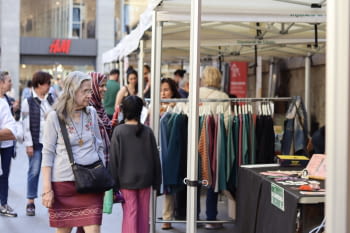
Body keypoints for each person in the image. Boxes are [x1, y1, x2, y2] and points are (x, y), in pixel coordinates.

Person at [41, 71, 105, 233]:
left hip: (91, 183)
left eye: (90, 90)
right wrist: (47, 189)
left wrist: (101, 170)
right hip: (64, 185)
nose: (90, 95)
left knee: (94, 229)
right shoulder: (55, 117)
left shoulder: (91, 113)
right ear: (72, 91)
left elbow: (99, 144)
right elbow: (47, 154)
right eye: (85, 91)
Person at [109, 95, 161, 233]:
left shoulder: (118, 131)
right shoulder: (148, 131)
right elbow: (155, 158)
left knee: (130, 214)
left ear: (123, 111)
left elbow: (113, 160)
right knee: (144, 215)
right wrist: (157, 182)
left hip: (126, 180)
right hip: (146, 179)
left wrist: (113, 185)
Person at [199, 66, 230, 230]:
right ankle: (211, 217)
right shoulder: (223, 97)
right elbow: (227, 123)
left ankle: (193, 215)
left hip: (196, 140)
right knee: (213, 179)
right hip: (216, 143)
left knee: (195, 177)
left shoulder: (195, 94)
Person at [21, 71, 54, 216]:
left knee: (53, 173)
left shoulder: (52, 99)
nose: (49, 86)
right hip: (36, 142)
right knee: (34, 171)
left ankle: (52, 201)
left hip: (51, 143)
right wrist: (28, 144)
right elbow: (25, 125)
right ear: (39, 84)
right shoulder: (27, 102)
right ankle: (30, 202)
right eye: (48, 83)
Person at [0, 72, 18, 217]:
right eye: (9, 81)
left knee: (4, 175)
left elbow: (12, 131)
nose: (11, 83)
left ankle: (3, 204)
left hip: (6, 145)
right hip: (4, 142)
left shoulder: (5, 100)